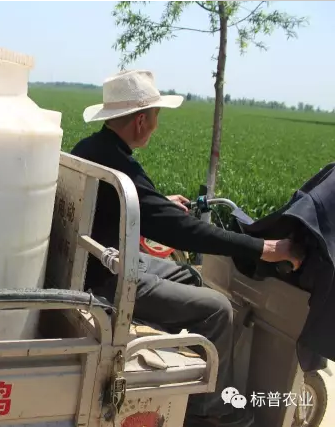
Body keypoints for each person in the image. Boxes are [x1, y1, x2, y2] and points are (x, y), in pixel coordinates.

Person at [70, 70, 303, 427]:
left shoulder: (93, 148)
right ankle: (210, 410)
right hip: (108, 279)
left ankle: (190, 376)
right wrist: (263, 248)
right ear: (141, 120)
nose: (156, 125)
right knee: (218, 310)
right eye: (156, 116)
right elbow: (182, 232)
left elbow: (124, 203)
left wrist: (159, 202)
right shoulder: (120, 163)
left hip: (98, 260)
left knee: (189, 275)